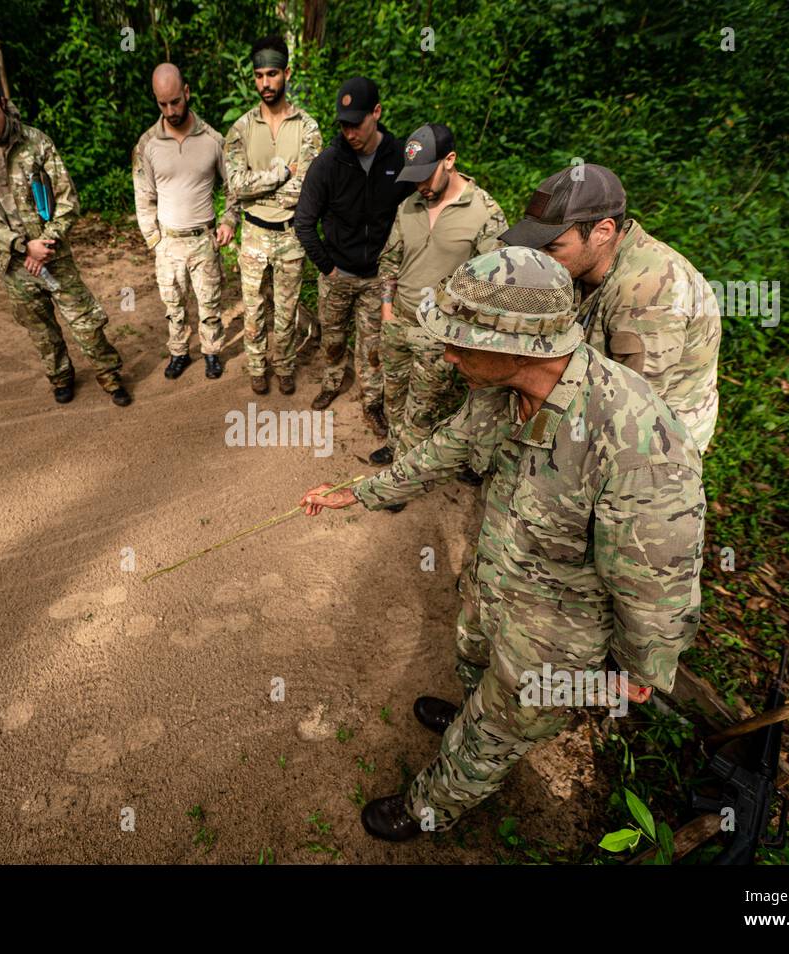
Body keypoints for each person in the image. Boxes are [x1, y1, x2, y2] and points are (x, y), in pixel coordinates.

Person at [299, 247, 706, 841]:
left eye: (460, 342)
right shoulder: (499, 389)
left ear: (521, 346)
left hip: (555, 637)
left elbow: (656, 585)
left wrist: (641, 669)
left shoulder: (636, 440)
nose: (447, 353)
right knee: (470, 657)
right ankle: (470, 711)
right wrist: (360, 493)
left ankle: (427, 807)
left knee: (495, 734)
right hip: (495, 582)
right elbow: (448, 449)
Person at [501, 163, 720, 453]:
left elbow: (634, 406)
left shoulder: (647, 295)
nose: (540, 258)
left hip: (654, 441)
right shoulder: (583, 265)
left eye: (552, 248)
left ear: (603, 231)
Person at [0, 69, 130, 406]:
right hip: (13, 261)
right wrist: (21, 246)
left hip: (53, 252)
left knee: (84, 319)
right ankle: (60, 377)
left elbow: (68, 199)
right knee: (40, 327)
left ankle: (109, 373)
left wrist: (45, 243)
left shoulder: (35, 142)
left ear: (3, 103)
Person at [372, 123, 506, 484]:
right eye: (412, 177)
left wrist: (461, 330)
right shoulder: (409, 206)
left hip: (440, 332)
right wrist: (386, 309)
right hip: (397, 321)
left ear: (450, 160)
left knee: (421, 409)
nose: (420, 186)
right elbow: (389, 260)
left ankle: (401, 479)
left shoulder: (484, 212)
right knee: (395, 397)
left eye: (425, 176)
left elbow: (493, 283)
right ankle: (395, 443)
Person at [294, 76, 413, 437]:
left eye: (356, 123)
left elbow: (416, 211)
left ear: (376, 113)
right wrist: (327, 267)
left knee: (373, 347)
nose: (350, 132)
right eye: (343, 125)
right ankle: (332, 383)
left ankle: (372, 403)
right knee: (332, 339)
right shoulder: (327, 164)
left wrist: (398, 265)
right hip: (337, 273)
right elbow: (303, 223)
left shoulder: (399, 157)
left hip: (378, 276)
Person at [223, 35, 322, 395]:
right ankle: (256, 365)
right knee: (253, 309)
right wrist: (282, 173)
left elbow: (309, 186)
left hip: (291, 234)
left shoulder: (308, 127)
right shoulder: (241, 129)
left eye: (273, 74)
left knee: (286, 309)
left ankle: (283, 365)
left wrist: (259, 185)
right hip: (253, 235)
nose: (266, 83)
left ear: (287, 74)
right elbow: (236, 185)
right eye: (260, 75)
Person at [132, 63, 239, 381]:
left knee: (210, 302)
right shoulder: (147, 144)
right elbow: (143, 196)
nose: (170, 109)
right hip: (168, 241)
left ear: (187, 92)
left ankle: (211, 353)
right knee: (173, 305)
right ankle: (178, 353)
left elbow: (233, 186)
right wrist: (155, 241)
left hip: (204, 238)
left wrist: (230, 220)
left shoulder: (213, 140)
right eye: (162, 103)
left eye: (175, 101)